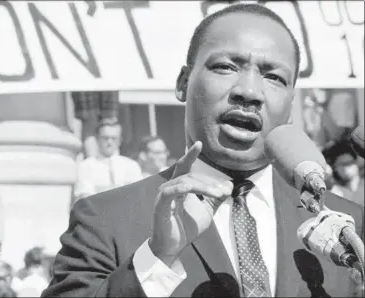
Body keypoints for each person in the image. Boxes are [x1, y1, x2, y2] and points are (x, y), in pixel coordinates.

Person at [42, 4, 364, 297]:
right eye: (226, 67)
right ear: (183, 82)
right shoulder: (104, 219)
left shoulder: (348, 229)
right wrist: (156, 258)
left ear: (291, 106)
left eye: (273, 77)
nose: (249, 91)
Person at [74, 117, 143, 199]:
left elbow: (137, 197)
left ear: (120, 140)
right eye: (105, 138)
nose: (109, 142)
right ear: (97, 139)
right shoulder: (86, 166)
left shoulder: (131, 165)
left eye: (114, 138)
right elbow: (87, 198)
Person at [323, 139, 364, 206]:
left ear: (356, 162)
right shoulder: (334, 191)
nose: (346, 168)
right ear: (334, 167)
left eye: (349, 163)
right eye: (342, 164)